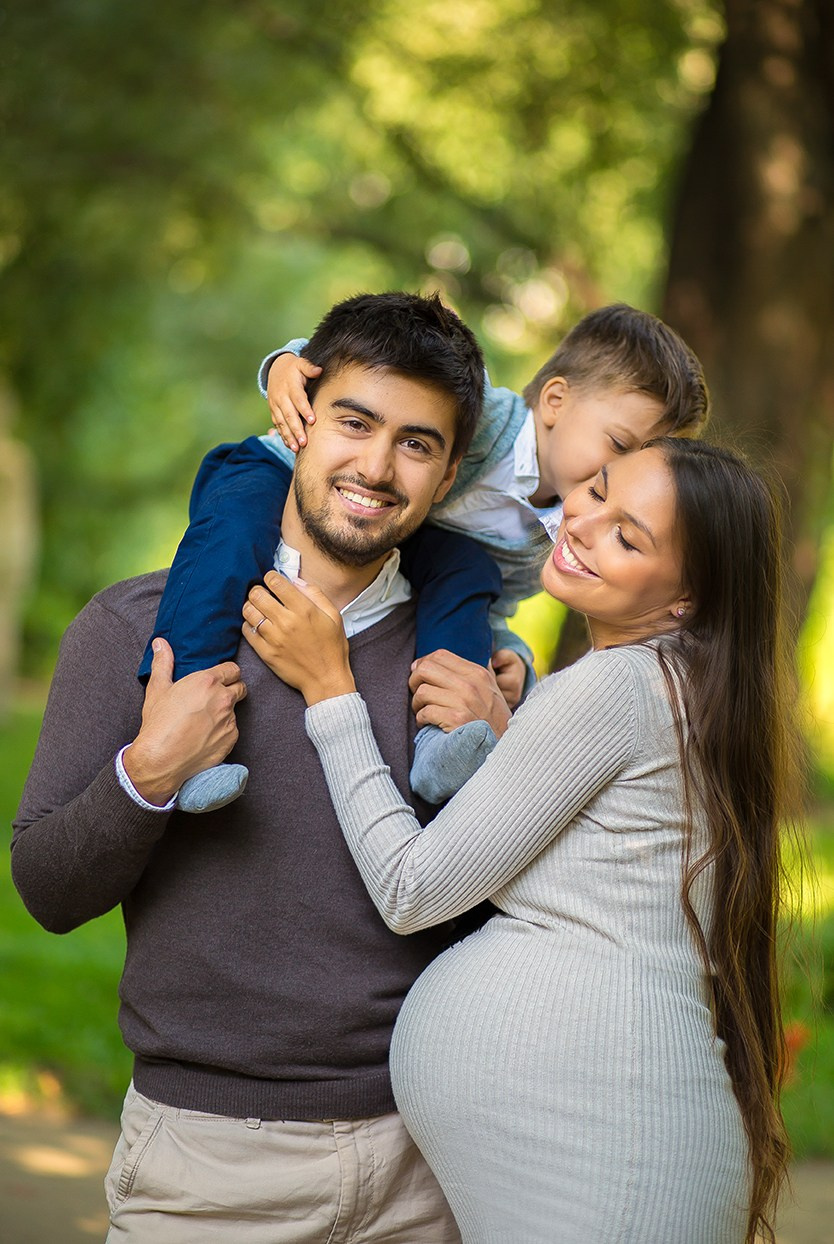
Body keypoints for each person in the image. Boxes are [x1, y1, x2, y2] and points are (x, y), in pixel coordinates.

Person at [11, 291, 491, 1243]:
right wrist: (146, 771)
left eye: (416, 443)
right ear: (297, 420)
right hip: (206, 1166)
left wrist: (508, 750)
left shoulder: (470, 680)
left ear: (447, 474)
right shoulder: (130, 628)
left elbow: (496, 914)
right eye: (353, 423)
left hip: (432, 1161)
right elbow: (47, 891)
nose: (376, 467)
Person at [247, 437, 803, 1244]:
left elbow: (413, 889)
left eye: (628, 535)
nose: (580, 523)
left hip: (614, 1170)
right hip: (607, 1157)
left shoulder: (622, 683)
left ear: (684, 599)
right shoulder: (676, 687)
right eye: (597, 490)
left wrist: (330, 686)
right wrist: (512, 734)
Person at [147, 301, 709, 812]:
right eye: (619, 445)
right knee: (230, 538)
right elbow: (366, 366)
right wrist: (282, 367)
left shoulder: (572, 530)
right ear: (556, 401)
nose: (629, 471)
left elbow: (490, 606)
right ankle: (184, 703)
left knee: (470, 572)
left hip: (400, 533)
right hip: (282, 472)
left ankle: (443, 742)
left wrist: (510, 660)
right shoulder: (487, 415)